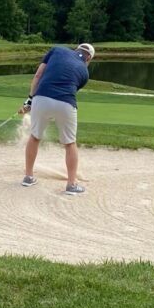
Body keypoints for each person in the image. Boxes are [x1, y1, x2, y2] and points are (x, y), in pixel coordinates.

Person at [19, 42, 95, 194]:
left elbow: (38, 75)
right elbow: (70, 88)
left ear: (77, 49)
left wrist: (29, 100)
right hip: (66, 103)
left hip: (41, 98)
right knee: (70, 143)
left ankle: (28, 177)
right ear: (88, 59)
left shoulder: (57, 50)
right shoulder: (85, 74)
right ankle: (71, 185)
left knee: (34, 137)